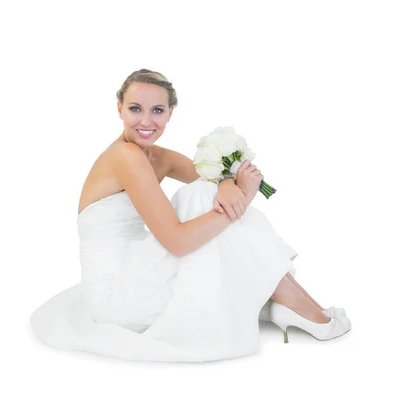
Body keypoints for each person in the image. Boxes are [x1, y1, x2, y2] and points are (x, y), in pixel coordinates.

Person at [30, 69, 351, 362]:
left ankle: (290, 301)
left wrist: (226, 183)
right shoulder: (125, 157)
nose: (146, 120)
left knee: (205, 192)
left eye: (157, 110)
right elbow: (177, 243)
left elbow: (209, 176)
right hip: (117, 297)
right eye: (135, 109)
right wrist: (244, 195)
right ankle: (295, 304)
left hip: (140, 270)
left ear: (171, 113)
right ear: (119, 109)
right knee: (199, 196)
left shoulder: (157, 156)